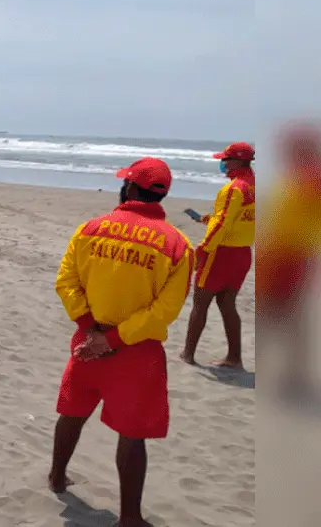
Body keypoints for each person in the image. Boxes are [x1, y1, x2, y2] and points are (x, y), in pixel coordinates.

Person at [51, 157, 194, 527]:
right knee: (132, 435)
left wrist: (92, 331)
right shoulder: (178, 245)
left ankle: (56, 477)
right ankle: (130, 517)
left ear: (130, 188)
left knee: (72, 411)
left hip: (88, 339)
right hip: (136, 350)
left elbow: (66, 282)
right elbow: (165, 311)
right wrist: (113, 339)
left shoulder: (90, 229)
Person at [257, 122, 321, 402]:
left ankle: (292, 376)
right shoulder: (299, 177)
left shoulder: (311, 178)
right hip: (282, 253)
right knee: (283, 317)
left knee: (284, 317)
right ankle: (290, 374)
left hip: (291, 254)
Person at [179, 142, 255, 368]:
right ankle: (234, 357)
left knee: (200, 303)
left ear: (237, 161)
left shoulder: (233, 188)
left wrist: (202, 249)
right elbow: (234, 218)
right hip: (242, 254)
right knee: (227, 304)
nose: (222, 163)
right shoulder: (255, 186)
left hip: (220, 254)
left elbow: (222, 222)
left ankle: (188, 354)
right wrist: (205, 219)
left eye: (226, 159)